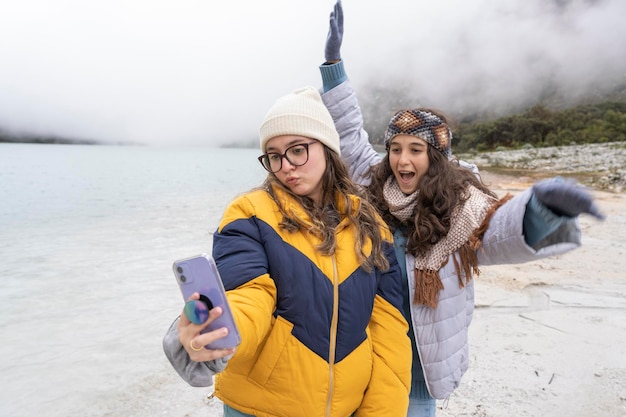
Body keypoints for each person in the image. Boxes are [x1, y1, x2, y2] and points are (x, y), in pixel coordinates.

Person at [317, 1, 605, 416]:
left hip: (422, 368)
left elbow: (503, 227)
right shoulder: (372, 183)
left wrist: (543, 208)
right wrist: (333, 66)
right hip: (368, 355)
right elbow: (347, 131)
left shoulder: (464, 206)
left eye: (416, 150)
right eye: (395, 149)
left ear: (437, 157)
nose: (402, 161)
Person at [163, 85, 413, 416]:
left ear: (326, 148)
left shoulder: (369, 225)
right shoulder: (250, 214)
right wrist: (222, 331)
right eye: (274, 155)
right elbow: (249, 293)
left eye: (297, 150)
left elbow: (388, 332)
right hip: (259, 407)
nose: (285, 166)